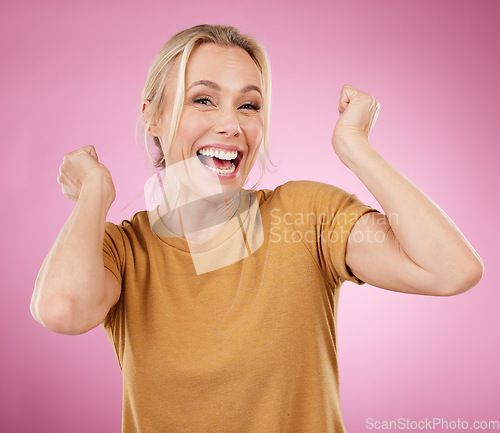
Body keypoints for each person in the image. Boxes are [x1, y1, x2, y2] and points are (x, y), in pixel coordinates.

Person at [30, 24, 483, 433]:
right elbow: (62, 310)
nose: (231, 125)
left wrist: (355, 147)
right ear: (153, 116)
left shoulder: (306, 216)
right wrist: (94, 192)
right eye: (203, 99)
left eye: (249, 105)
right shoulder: (123, 251)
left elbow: (451, 269)